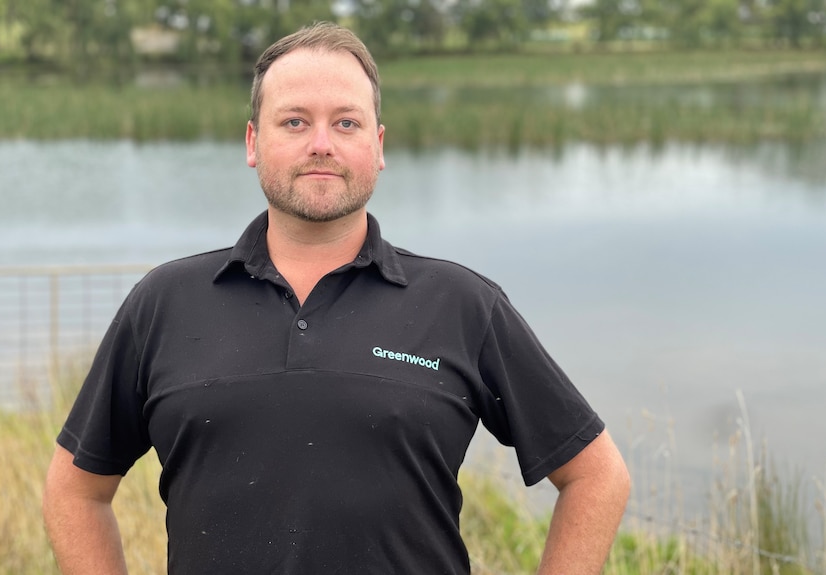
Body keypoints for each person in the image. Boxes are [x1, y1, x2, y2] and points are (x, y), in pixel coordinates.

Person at [42, 21, 630, 575]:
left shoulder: (461, 304)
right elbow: (75, 489)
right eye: (294, 122)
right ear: (253, 142)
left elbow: (597, 477)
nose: (321, 144)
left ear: (377, 146)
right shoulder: (164, 303)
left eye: (345, 123)